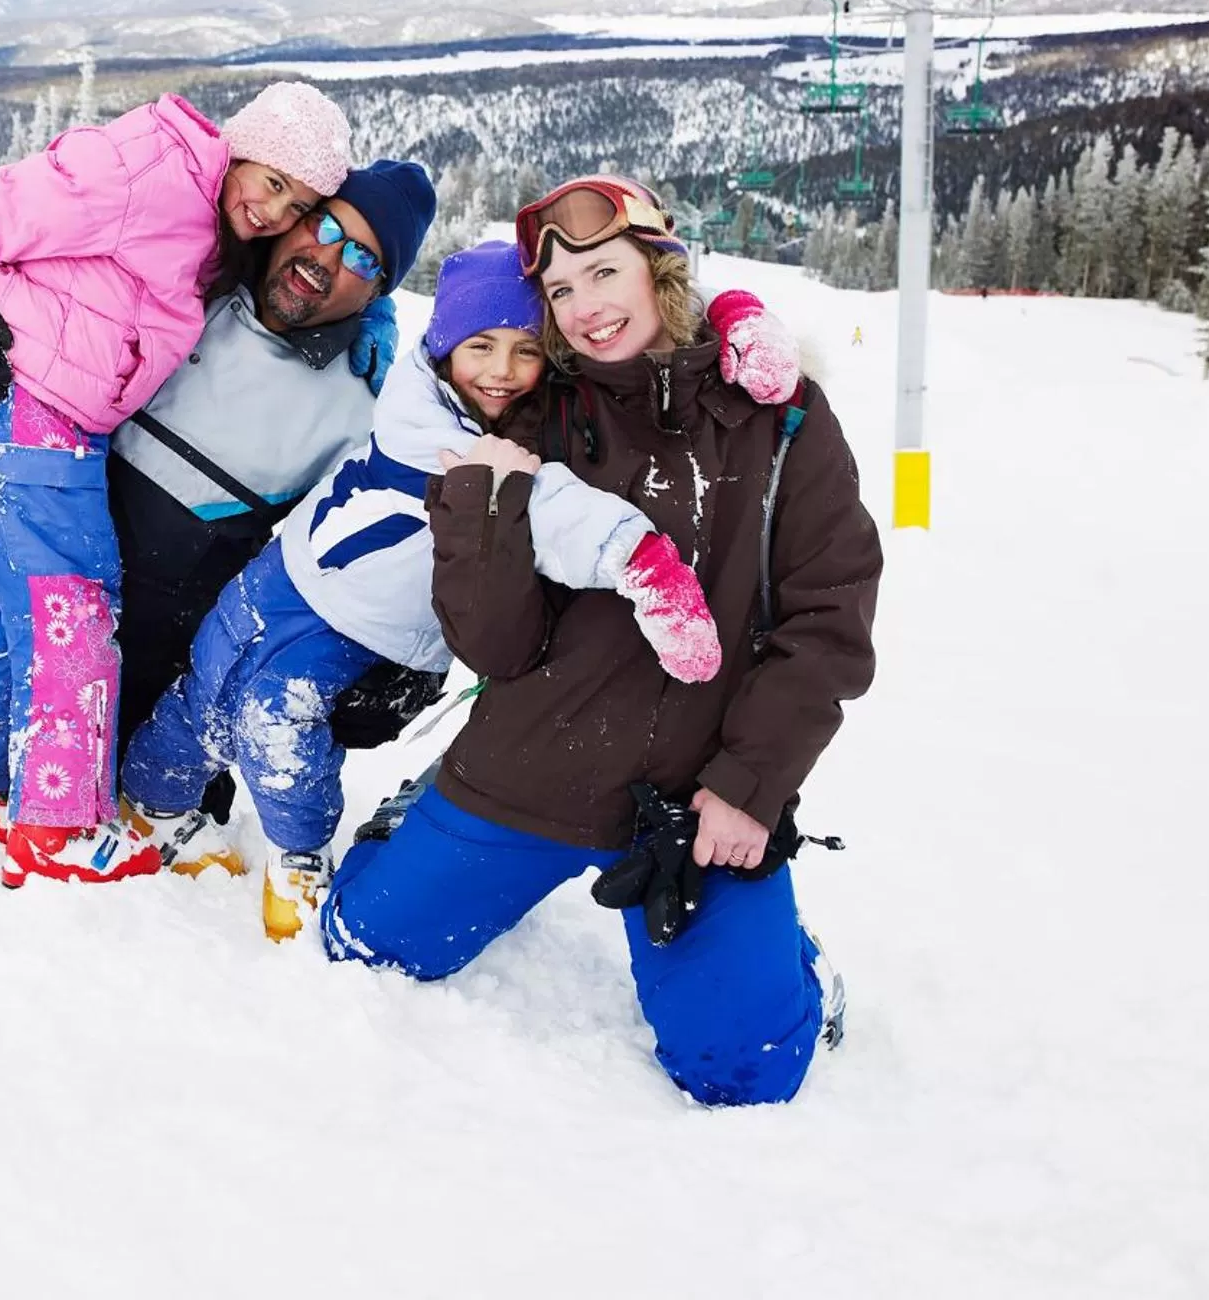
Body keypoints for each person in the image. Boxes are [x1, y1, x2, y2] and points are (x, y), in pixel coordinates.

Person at [321, 173, 882, 1108]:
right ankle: (416, 818)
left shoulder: (780, 421)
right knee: (362, 949)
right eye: (561, 290)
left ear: (660, 269)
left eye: (603, 272)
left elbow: (829, 619)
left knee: (746, 1075)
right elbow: (495, 649)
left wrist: (748, 789)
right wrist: (478, 503)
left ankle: (787, 958)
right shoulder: (534, 416)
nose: (584, 308)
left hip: (699, 799)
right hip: (530, 769)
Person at [104, 237, 728, 941]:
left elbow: (551, 507)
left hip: (364, 625)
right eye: (481, 346)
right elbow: (527, 494)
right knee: (207, 688)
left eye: (525, 351)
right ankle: (154, 802)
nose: (501, 370)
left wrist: (643, 563)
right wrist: (642, 559)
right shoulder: (423, 419)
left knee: (277, 718)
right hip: (291, 577)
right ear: (443, 349)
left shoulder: (517, 432)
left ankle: (299, 853)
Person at [0, 82, 358, 888]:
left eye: (296, 201)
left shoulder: (210, 218)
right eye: (270, 181)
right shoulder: (150, 168)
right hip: (36, 405)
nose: (273, 210)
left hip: (52, 412)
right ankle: (56, 827)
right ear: (241, 146)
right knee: (74, 614)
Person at [0, 181, 438, 809]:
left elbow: (371, 548)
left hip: (148, 643)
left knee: (110, 795)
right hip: (30, 564)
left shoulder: (361, 409)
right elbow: (55, 265)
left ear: (378, 291)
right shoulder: (189, 275)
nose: (326, 259)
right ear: (295, 220)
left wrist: (397, 663)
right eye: (327, 228)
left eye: (362, 258)